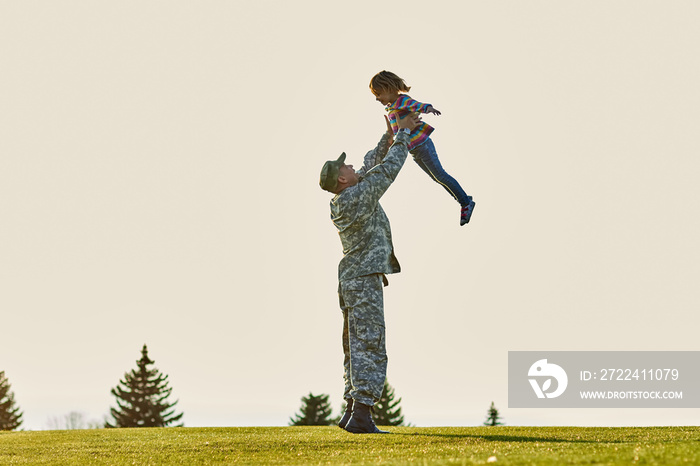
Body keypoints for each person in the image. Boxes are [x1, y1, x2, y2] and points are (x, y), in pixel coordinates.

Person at [319, 113, 421, 434]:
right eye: (346, 168)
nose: (351, 167)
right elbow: (387, 170)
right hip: (363, 280)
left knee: (355, 346)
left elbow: (372, 162)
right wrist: (403, 136)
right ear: (342, 180)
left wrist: (389, 131)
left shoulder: (348, 194)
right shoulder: (357, 197)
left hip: (351, 279)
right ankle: (362, 414)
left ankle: (352, 411)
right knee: (370, 344)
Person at [369, 70, 476, 226]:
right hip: (414, 150)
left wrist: (428, 108)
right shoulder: (392, 107)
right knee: (436, 177)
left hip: (422, 145)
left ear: (388, 88)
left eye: (378, 94)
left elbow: (415, 105)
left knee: (440, 175)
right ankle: (463, 200)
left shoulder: (401, 101)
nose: (377, 98)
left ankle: (465, 202)